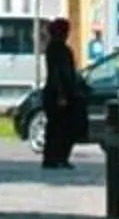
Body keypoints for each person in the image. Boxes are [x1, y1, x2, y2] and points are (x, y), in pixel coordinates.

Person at [38, 16, 88, 166]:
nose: (68, 34)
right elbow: (56, 72)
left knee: (63, 127)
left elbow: (67, 71)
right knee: (58, 127)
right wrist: (61, 94)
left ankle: (58, 157)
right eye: (66, 31)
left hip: (63, 92)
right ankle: (54, 158)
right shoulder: (56, 49)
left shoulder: (60, 49)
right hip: (58, 93)